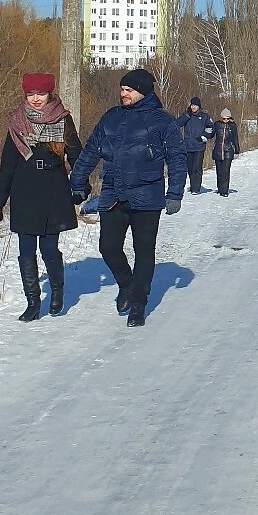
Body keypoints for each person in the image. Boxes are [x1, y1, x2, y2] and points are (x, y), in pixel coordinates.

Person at [69, 68, 187, 328]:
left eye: (129, 90)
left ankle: (138, 304)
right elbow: (90, 151)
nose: (123, 94)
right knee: (108, 247)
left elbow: (177, 157)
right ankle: (126, 283)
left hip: (147, 195)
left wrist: (175, 192)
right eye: (122, 89)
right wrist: (77, 182)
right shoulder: (111, 117)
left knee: (144, 251)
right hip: (112, 193)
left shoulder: (162, 121)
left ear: (142, 92)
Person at [0, 73, 83, 322]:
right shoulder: (17, 122)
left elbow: (77, 156)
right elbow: (8, 163)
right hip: (24, 191)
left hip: (54, 189)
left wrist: (81, 185)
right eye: (31, 94)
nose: (35, 100)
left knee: (49, 248)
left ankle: (57, 291)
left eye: (40, 94)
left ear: (49, 94)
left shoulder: (63, 120)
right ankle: (33, 302)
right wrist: (0, 196)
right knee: (26, 249)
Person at [180, 96, 215, 193]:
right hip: (188, 146)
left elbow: (211, 127)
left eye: (195, 105)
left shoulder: (204, 116)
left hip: (199, 146)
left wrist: (205, 136)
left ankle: (196, 188)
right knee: (190, 168)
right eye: (192, 105)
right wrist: (186, 115)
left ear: (199, 106)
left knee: (197, 167)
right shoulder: (187, 115)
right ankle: (193, 185)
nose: (193, 107)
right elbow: (177, 124)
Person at [212, 108, 240, 196]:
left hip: (228, 150)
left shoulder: (232, 125)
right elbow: (211, 133)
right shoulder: (216, 124)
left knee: (225, 171)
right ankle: (220, 188)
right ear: (221, 118)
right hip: (218, 150)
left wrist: (237, 149)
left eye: (228, 118)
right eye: (224, 118)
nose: (226, 120)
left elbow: (235, 137)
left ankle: (224, 191)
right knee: (219, 172)